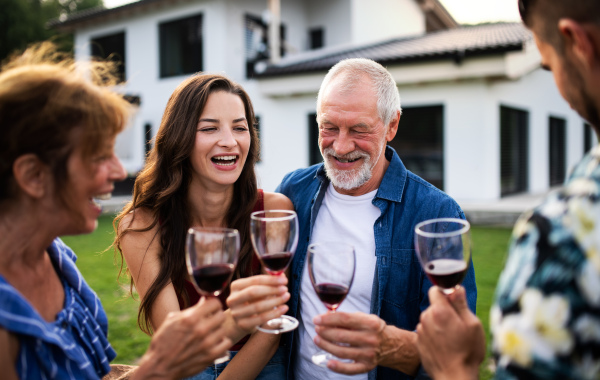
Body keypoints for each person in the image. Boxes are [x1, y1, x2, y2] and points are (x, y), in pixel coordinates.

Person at [0, 42, 289, 380]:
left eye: (240, 127)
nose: (119, 171)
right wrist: (238, 320)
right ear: (33, 176)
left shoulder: (61, 263)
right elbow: (176, 355)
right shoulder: (10, 316)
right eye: (97, 156)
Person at [416, 0, 600, 379]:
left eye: (549, 66)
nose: (559, 89)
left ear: (578, 43)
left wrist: (453, 367)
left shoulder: (564, 232)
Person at [276, 57, 478, 380]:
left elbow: (455, 356)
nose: (340, 146)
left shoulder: (437, 215)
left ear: (392, 126)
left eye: (359, 130)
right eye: (329, 127)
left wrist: (395, 348)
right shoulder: (292, 192)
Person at [114, 73, 293, 380]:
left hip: (262, 365)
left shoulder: (275, 211)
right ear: (179, 137)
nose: (230, 141)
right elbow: (176, 341)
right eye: (210, 128)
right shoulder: (141, 226)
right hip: (188, 366)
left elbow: (270, 332)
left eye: (240, 127)